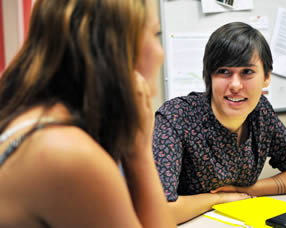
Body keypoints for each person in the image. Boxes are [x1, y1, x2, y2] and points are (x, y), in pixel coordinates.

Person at [0, 0, 176, 227]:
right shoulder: (69, 154)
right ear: (119, 47)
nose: (161, 52)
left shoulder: (34, 119)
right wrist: (139, 152)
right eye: (155, 33)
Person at [152, 22, 286, 224]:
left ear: (266, 77)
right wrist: (218, 199)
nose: (236, 85)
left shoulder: (260, 112)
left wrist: (244, 190)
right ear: (209, 77)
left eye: (247, 72)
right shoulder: (176, 116)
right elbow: (157, 211)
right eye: (224, 71)